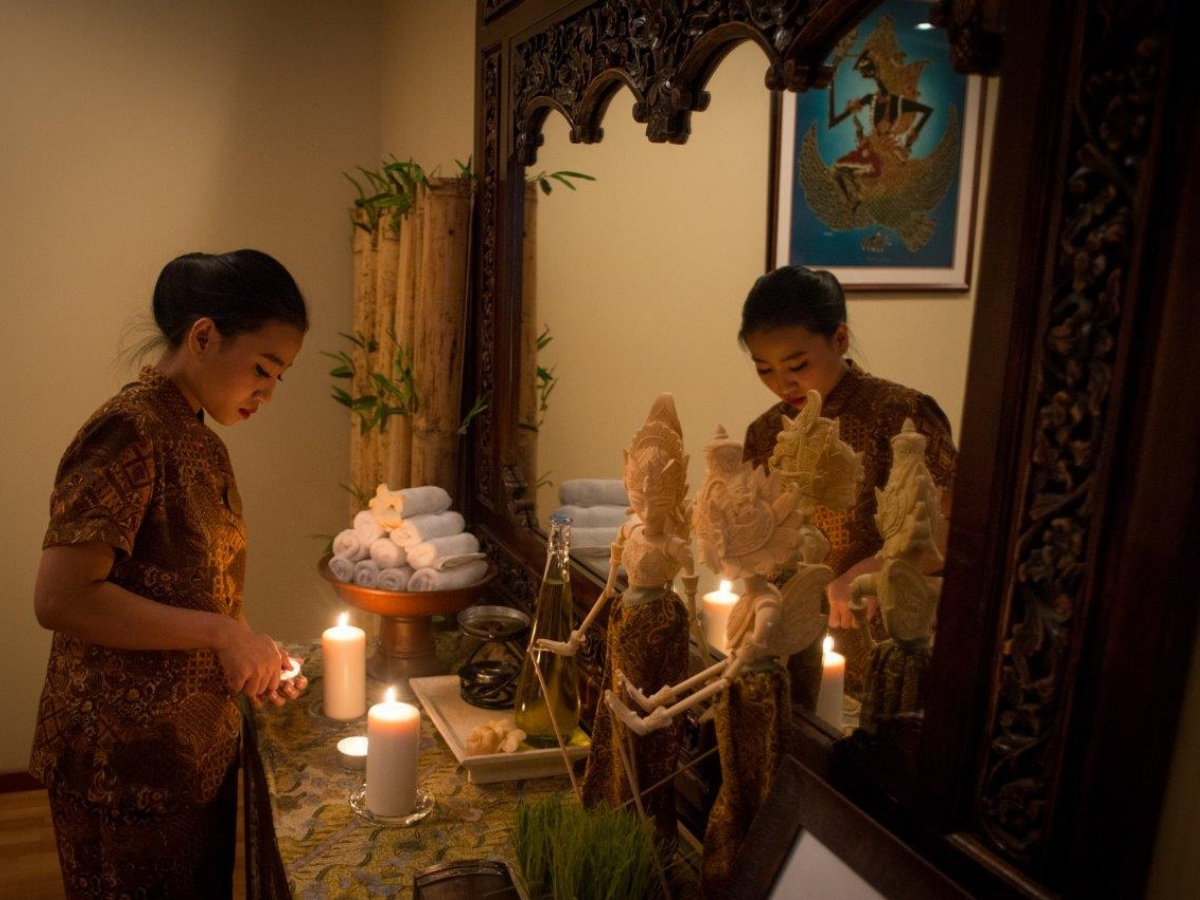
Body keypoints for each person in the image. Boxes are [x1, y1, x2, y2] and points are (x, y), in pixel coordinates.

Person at [29, 249, 311, 899]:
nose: (268, 391)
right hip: (122, 764)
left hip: (189, 754)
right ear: (203, 336)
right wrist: (222, 635)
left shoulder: (200, 440)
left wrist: (245, 652)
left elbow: (192, 587)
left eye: (280, 377)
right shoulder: (128, 429)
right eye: (263, 368)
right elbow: (62, 597)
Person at [739, 264, 956, 699]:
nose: (783, 384)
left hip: (881, 628)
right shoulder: (765, 433)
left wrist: (878, 566)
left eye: (797, 364)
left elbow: (953, 526)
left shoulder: (903, 413)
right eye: (765, 370)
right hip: (790, 631)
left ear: (839, 339)